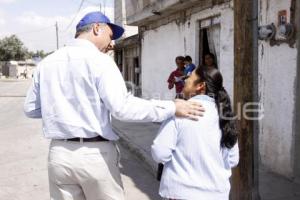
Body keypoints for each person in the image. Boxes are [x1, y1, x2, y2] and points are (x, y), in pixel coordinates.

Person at [24, 11, 205, 200]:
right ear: (96, 28)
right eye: (110, 36)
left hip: (59, 155)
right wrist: (171, 108)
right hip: (94, 156)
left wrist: (61, 109)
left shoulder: (47, 62)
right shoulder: (100, 61)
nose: (112, 44)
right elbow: (122, 108)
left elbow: (31, 108)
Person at [152, 67, 239, 200]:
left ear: (200, 85)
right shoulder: (224, 115)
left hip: (181, 193)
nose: (185, 80)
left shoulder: (179, 112)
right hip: (217, 194)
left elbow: (159, 153)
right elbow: (232, 160)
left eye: (189, 78)